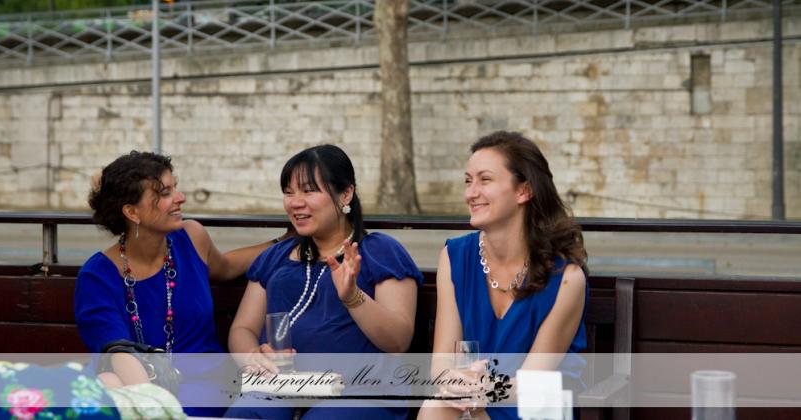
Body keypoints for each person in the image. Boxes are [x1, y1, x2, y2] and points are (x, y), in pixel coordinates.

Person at [75, 151, 288, 417]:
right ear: (132, 212)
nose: (180, 197)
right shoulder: (97, 277)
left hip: (206, 388)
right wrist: (155, 406)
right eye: (165, 193)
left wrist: (284, 242)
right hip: (137, 385)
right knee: (110, 387)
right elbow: (118, 353)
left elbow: (226, 266)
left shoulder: (191, 237)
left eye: (175, 187)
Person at [225, 144, 423, 420]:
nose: (295, 202)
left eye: (308, 190)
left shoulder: (379, 252)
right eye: (288, 192)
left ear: (346, 193)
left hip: (359, 391)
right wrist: (252, 357)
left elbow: (398, 341)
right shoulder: (275, 257)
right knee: (250, 412)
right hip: (280, 386)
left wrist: (353, 297)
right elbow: (243, 327)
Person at [421, 131, 588, 420]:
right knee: (438, 407)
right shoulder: (455, 257)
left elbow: (534, 382)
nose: (470, 193)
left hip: (533, 407)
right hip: (473, 402)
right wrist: (457, 385)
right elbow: (442, 363)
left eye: (485, 180)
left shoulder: (567, 278)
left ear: (524, 191)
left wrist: (481, 390)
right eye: (468, 181)